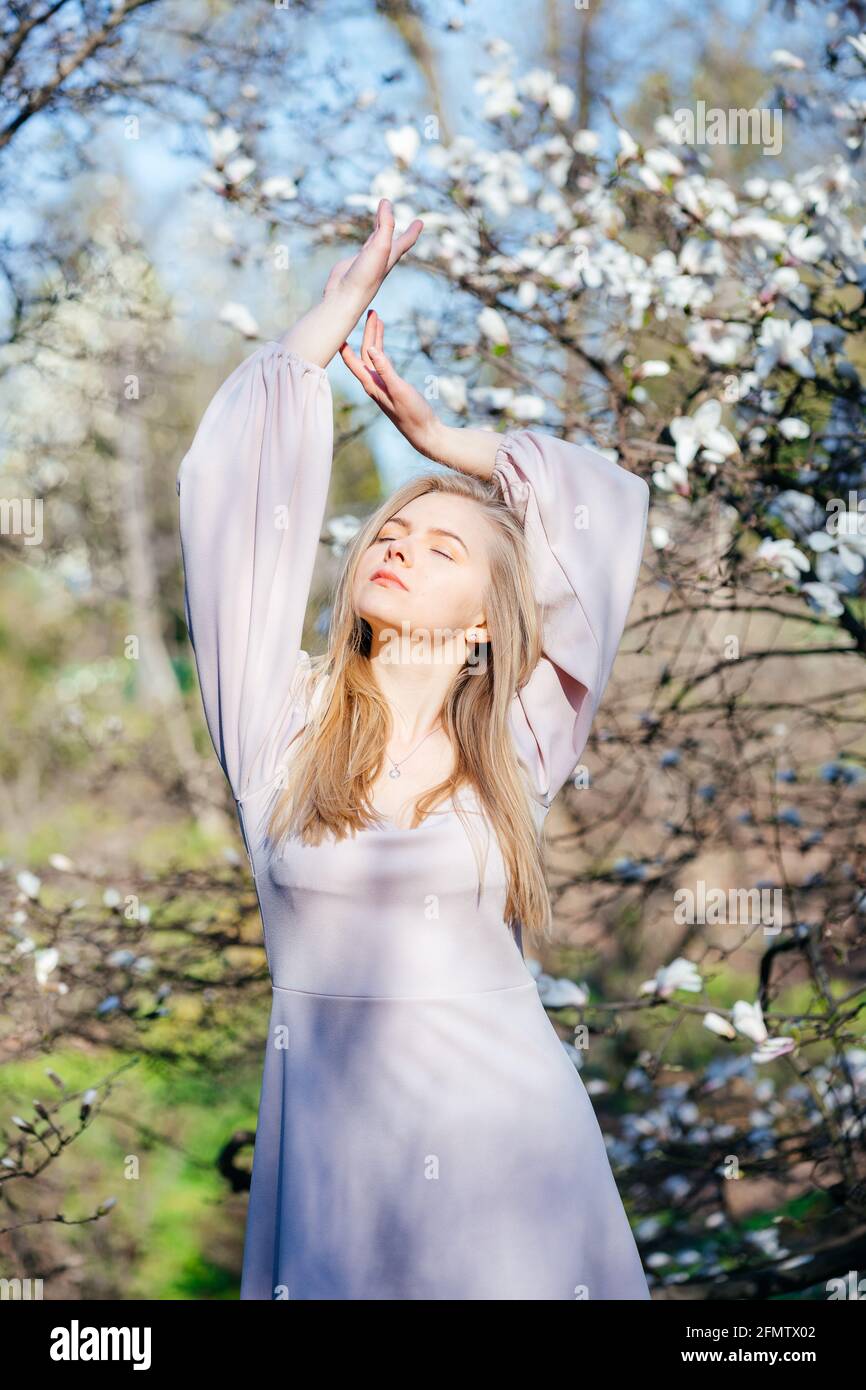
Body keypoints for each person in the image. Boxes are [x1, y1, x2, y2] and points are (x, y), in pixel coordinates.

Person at [177, 198, 652, 1300]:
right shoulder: (278, 728)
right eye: (389, 532)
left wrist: (453, 449)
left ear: (489, 615)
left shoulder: (518, 743)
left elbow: (608, 515)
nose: (397, 547)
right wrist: (324, 324)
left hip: (515, 1161)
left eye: (443, 548)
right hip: (338, 1167)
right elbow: (224, 503)